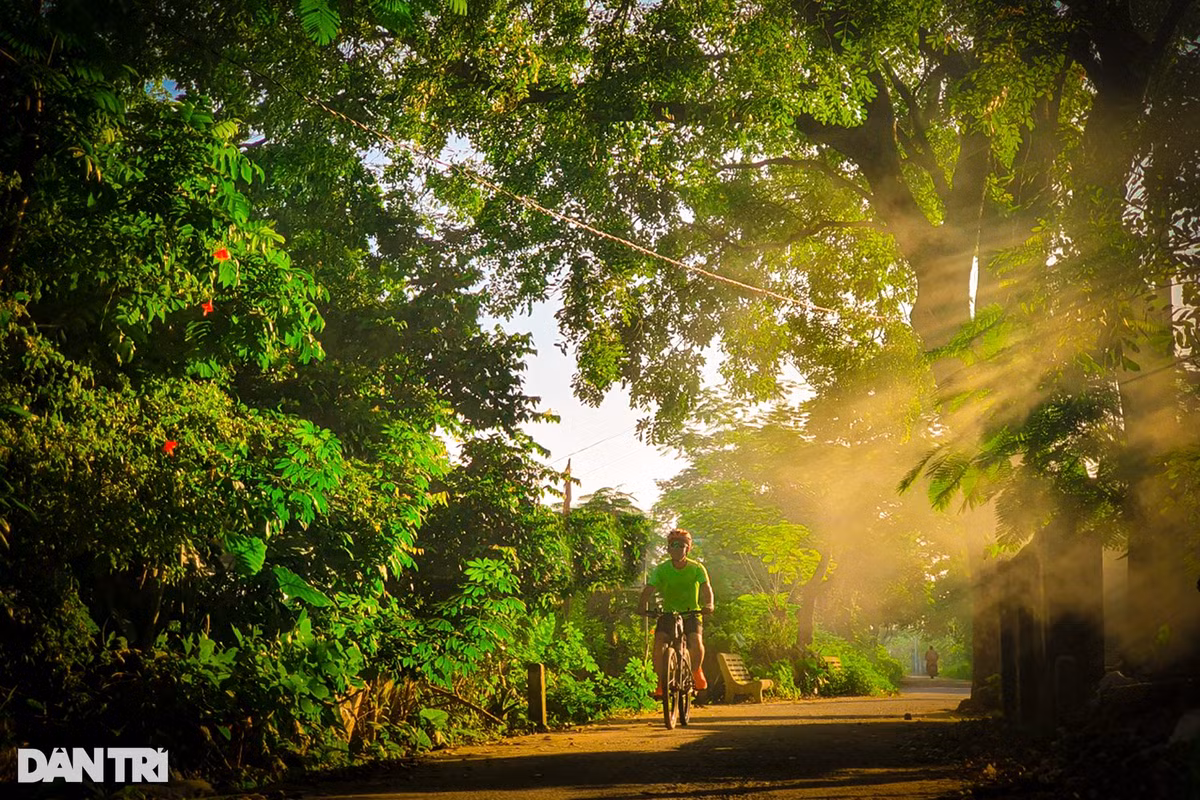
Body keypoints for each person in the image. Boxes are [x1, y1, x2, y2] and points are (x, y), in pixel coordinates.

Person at [639, 528, 714, 695]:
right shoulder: (661, 569)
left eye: (681, 545)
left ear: (688, 548)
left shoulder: (697, 568)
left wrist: (709, 604)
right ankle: (661, 682)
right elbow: (649, 589)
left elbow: (706, 588)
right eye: (673, 545)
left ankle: (696, 670)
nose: (677, 548)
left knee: (695, 640)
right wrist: (641, 607)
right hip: (668, 613)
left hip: (692, 613)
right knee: (659, 642)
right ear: (668, 548)